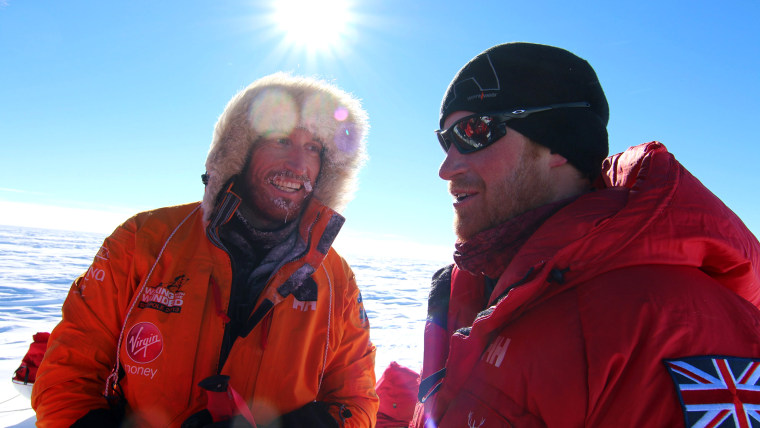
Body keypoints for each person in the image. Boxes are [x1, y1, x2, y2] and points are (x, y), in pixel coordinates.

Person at [412, 42, 760, 427]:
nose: (446, 167)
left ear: (557, 144)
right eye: (445, 139)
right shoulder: (471, 287)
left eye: (473, 131)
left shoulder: (678, 325)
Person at [32, 73, 379, 428]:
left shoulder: (335, 278)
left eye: (314, 148)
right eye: (280, 140)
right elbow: (68, 374)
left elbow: (356, 400)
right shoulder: (144, 240)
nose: (298, 164)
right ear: (240, 152)